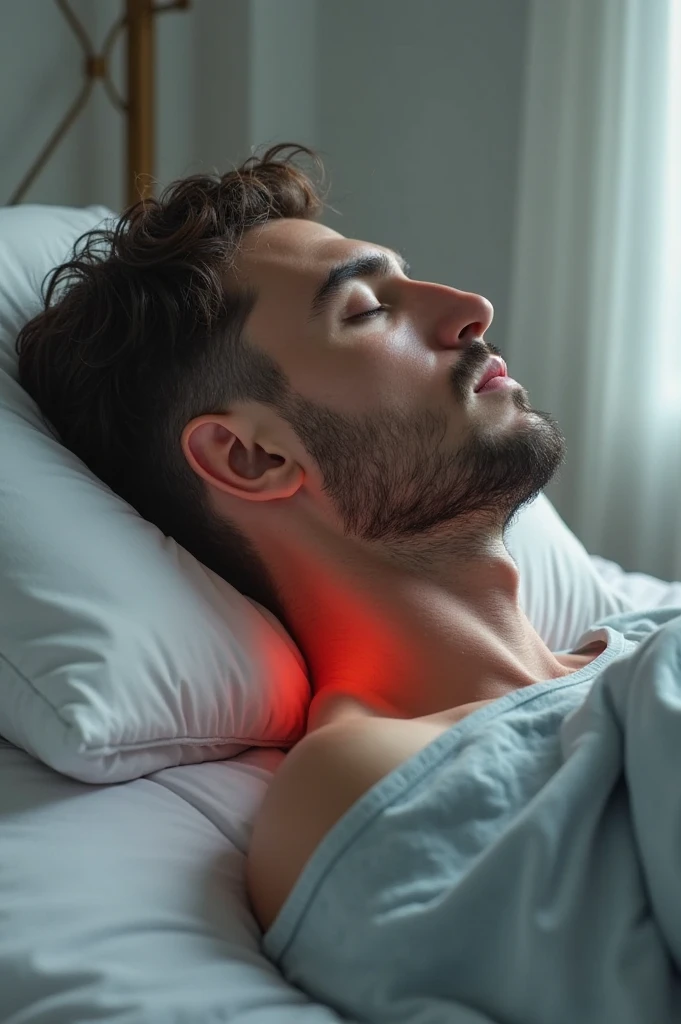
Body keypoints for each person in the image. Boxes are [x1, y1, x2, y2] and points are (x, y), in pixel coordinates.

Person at [15, 142, 606, 934]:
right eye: (366, 310)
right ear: (252, 456)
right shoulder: (370, 779)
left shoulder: (642, 647)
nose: (470, 307)